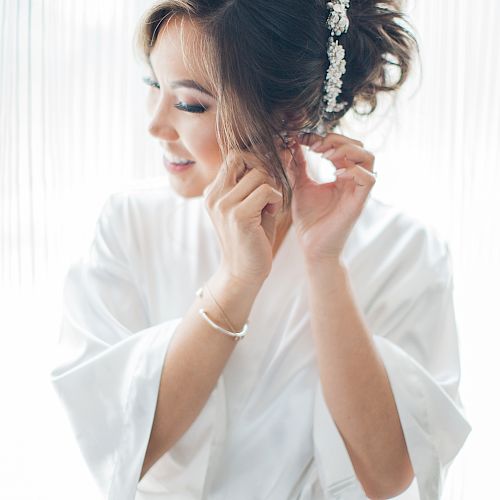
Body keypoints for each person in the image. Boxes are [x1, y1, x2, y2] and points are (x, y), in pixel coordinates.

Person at [50, 1, 471, 499]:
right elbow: (118, 447)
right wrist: (236, 282)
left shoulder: (406, 251)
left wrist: (324, 262)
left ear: (288, 114)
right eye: (152, 86)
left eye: (188, 104)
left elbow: (389, 476)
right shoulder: (128, 227)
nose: (155, 125)